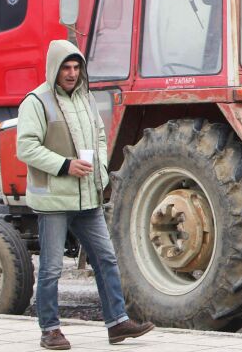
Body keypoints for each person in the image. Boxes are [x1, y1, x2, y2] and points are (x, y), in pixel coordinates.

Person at [17, 40, 154, 350]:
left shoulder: (86, 99)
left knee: (106, 259)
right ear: (55, 68)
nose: (72, 73)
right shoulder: (36, 102)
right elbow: (26, 147)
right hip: (54, 201)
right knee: (52, 268)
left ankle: (117, 323)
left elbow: (101, 135)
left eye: (76, 67)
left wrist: (101, 171)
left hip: (87, 199)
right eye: (66, 67)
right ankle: (49, 330)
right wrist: (66, 166)